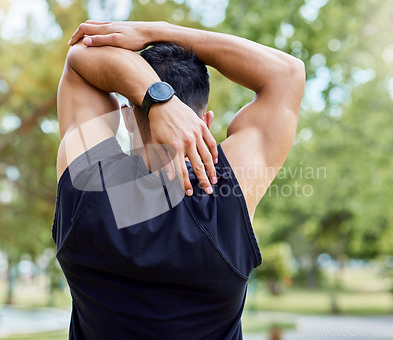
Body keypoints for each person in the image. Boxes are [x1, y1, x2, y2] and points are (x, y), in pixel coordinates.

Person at [53, 21, 304, 339]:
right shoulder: (226, 195)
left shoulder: (87, 187)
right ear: (205, 122)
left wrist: (158, 101)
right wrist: (156, 31)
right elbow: (287, 74)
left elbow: (78, 58)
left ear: (129, 117)